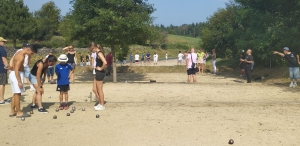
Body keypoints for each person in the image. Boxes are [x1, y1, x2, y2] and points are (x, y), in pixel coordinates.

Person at [9, 44, 36, 117]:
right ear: (28, 50)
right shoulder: (21, 56)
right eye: (32, 53)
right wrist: (19, 81)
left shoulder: (19, 52)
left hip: (14, 73)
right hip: (16, 74)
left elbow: (12, 60)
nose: (32, 55)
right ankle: (19, 112)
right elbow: (16, 69)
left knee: (15, 93)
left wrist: (10, 66)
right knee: (18, 94)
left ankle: (12, 111)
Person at [88, 42, 107, 111]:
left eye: (91, 50)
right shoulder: (97, 53)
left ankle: (102, 105)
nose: (91, 51)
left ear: (94, 48)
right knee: (95, 89)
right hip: (97, 72)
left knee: (99, 89)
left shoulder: (99, 53)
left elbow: (105, 62)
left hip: (100, 72)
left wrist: (101, 68)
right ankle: (100, 103)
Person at [0, 37, 10, 105]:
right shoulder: (1, 49)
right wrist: (8, 67)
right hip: (1, 69)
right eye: (3, 41)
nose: (4, 43)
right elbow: (4, 59)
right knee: (2, 84)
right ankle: (2, 100)